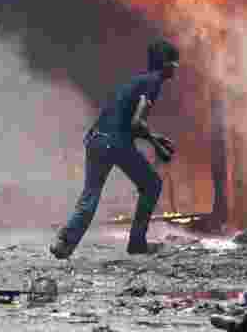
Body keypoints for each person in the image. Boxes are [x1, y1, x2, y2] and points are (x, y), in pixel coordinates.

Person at [50, 39, 180, 259]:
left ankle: (64, 243)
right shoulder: (154, 82)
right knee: (152, 184)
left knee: (90, 196)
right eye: (174, 62)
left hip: (97, 140)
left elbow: (126, 121)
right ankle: (137, 243)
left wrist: (155, 137)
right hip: (115, 143)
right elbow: (137, 123)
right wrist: (158, 147)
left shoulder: (137, 81)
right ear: (165, 63)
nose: (176, 67)